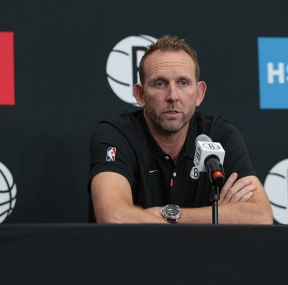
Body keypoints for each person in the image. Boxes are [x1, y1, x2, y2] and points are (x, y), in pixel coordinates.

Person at [88, 35, 273, 224]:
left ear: (199, 93)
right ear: (140, 94)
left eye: (183, 83)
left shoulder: (219, 134)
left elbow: (261, 215)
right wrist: (219, 216)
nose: (173, 96)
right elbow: (113, 216)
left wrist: (168, 214)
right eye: (160, 83)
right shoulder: (116, 134)